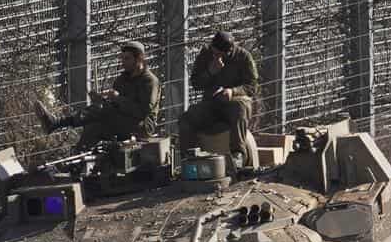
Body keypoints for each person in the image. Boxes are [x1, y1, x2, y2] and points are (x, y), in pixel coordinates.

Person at [35, 41, 161, 150]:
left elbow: (143, 112)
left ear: (139, 59)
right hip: (123, 122)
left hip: (142, 126)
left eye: (127, 59)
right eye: (121, 58)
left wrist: (117, 99)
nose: (122, 63)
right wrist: (102, 101)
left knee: (101, 112)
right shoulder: (122, 80)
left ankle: (56, 123)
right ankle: (76, 161)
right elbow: (115, 108)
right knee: (94, 127)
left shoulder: (149, 81)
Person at [180, 31, 259, 168]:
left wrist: (233, 91)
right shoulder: (206, 55)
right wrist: (210, 72)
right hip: (212, 102)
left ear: (229, 52)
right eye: (214, 52)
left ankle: (238, 155)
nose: (216, 56)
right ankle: (189, 157)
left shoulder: (243, 57)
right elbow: (196, 83)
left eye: (219, 54)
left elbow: (252, 87)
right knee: (187, 117)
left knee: (240, 108)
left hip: (234, 101)